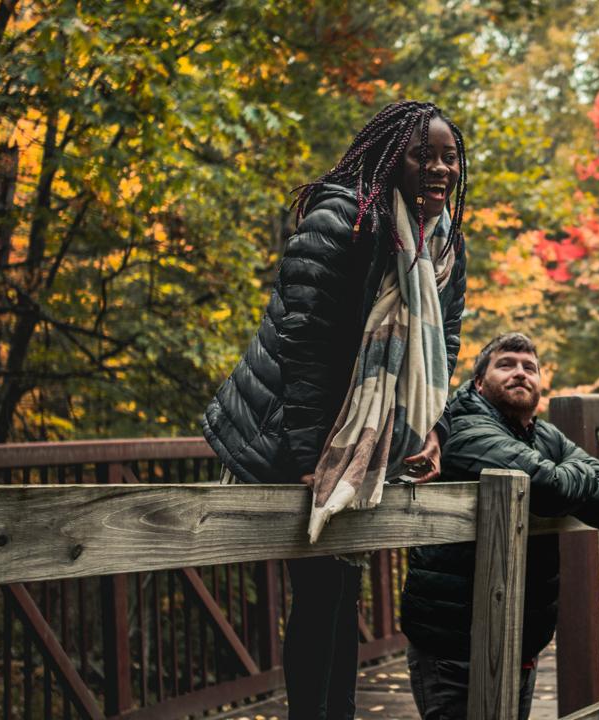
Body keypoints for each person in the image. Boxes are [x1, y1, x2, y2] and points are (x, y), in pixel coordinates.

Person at [201, 101, 469, 720]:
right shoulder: (342, 219)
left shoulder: (445, 244)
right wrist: (307, 457)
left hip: (361, 438)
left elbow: (443, 348)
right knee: (325, 590)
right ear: (387, 157)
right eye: (421, 154)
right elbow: (306, 344)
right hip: (284, 429)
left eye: (449, 156)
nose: (438, 168)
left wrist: (433, 431)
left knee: (339, 587)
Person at [400, 332, 599, 720]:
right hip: (456, 646)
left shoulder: (544, 436)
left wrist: (563, 474)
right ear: (479, 382)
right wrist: (573, 474)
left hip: (516, 637)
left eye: (530, 368)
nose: (520, 373)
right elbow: (549, 488)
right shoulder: (463, 428)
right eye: (505, 364)